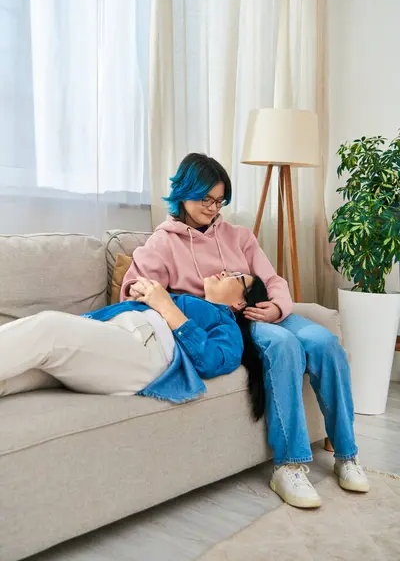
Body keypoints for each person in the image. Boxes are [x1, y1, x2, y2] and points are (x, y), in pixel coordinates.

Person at [121, 152, 370, 508]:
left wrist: (278, 305)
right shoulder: (163, 243)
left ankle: (347, 455)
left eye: (219, 200)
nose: (213, 208)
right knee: (284, 345)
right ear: (183, 193)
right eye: (206, 199)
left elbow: (272, 279)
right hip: (230, 322)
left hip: (267, 312)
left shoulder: (239, 235)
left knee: (325, 341)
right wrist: (139, 289)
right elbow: (134, 289)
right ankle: (289, 466)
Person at [0, 271, 266, 414]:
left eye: (237, 276)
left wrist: (164, 304)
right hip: (113, 337)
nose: (225, 271)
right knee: (20, 374)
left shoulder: (227, 326)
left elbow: (210, 360)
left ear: (240, 303)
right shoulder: (188, 299)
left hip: (146, 353)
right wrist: (142, 296)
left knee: (49, 328)